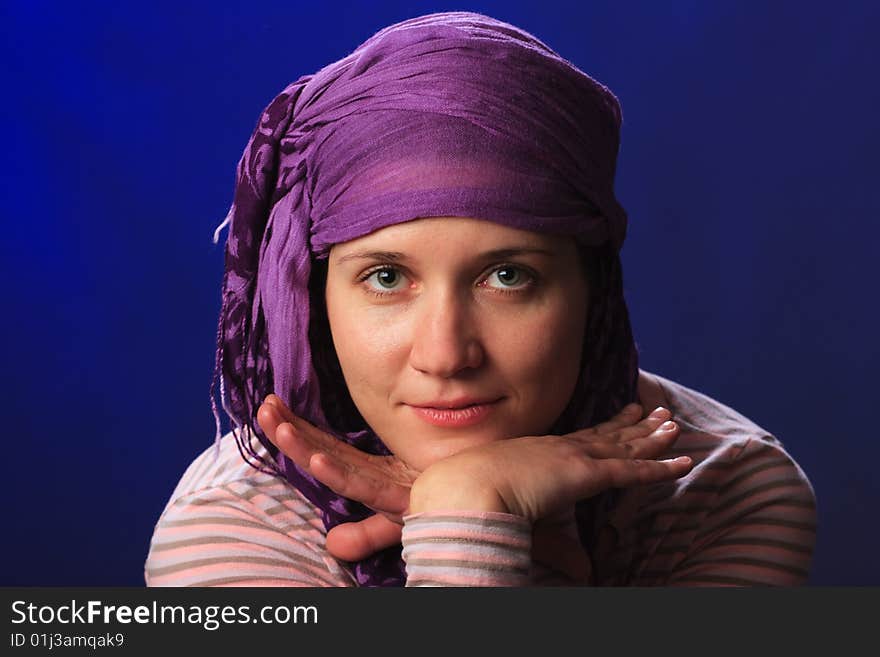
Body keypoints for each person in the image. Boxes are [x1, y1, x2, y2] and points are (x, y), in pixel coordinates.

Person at [145, 11, 817, 587]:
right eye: (386, 277)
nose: (445, 354)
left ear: (593, 288)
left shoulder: (721, 487)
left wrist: (463, 509)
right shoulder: (237, 518)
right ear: (315, 298)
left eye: (507, 276)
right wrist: (476, 520)